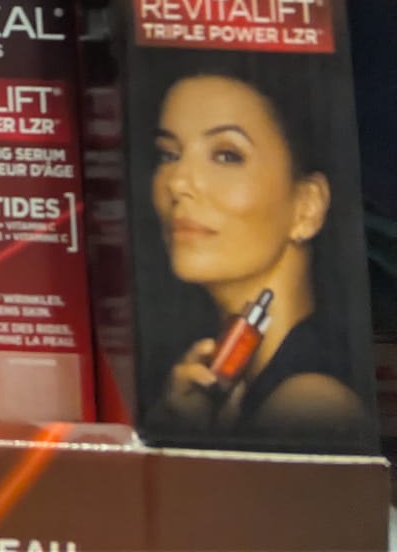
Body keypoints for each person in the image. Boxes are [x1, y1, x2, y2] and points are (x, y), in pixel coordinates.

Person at [147, 56, 366, 441]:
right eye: (169, 154)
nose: (177, 183)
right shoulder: (231, 389)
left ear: (307, 206)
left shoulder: (310, 403)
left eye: (226, 155)